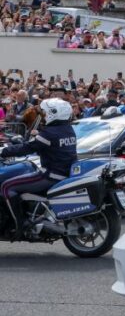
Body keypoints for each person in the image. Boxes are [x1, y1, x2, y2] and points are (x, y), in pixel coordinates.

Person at [0, 99, 77, 239]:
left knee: (6, 186)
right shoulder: (68, 129)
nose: (43, 116)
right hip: (64, 172)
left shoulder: (49, 133)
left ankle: (20, 224)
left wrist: (3, 151)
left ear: (54, 114)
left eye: (45, 113)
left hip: (50, 175)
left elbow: (26, 148)